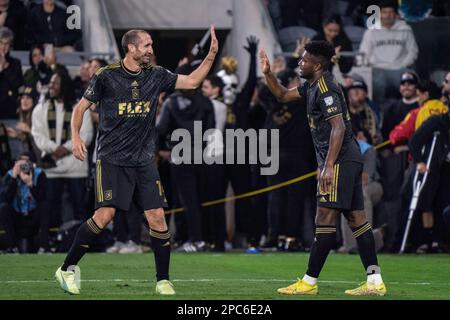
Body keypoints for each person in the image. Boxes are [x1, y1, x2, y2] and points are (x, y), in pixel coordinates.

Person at [54, 26, 219, 295]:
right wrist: (74, 137)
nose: (151, 50)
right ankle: (66, 269)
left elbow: (191, 82)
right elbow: (81, 107)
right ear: (131, 48)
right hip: (111, 158)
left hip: (143, 160)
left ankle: (163, 280)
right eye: (147, 45)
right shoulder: (106, 76)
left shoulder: (156, 75)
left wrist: (211, 55)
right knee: (104, 216)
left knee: (157, 218)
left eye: (151, 45)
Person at [259, 40, 386, 296]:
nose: (299, 62)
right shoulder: (312, 86)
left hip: (338, 159)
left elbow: (338, 127)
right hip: (345, 158)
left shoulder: (326, 88)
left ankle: (308, 282)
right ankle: (375, 281)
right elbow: (283, 95)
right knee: (357, 219)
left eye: (304, 60)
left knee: (324, 219)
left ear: (317, 65)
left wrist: (327, 167)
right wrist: (268, 73)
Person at [31, 72, 93, 228]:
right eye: (51, 83)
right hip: (52, 168)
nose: (51, 86)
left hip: (76, 166)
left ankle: (83, 242)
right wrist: (54, 149)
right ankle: (53, 243)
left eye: (55, 83)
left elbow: (86, 134)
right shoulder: (41, 108)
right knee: (52, 209)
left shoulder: (79, 107)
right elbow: (37, 134)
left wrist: (64, 149)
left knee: (80, 208)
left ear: (64, 86)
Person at [359, 0, 418, 103]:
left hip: (400, 68)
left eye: (390, 12)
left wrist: (403, 65)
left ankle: (408, 110)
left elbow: (413, 51)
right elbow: (364, 54)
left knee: (412, 79)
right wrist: (370, 66)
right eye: (384, 12)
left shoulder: (405, 29)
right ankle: (379, 113)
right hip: (378, 69)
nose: (387, 15)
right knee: (376, 82)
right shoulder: (371, 32)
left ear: (395, 14)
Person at [0, 152, 49, 253]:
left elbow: (42, 198)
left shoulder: (39, 174)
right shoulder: (10, 175)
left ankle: (44, 246)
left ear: (32, 164)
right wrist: (14, 178)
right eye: (20, 162)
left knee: (45, 206)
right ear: (15, 163)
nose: (23, 165)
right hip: (17, 216)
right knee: (4, 208)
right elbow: (5, 199)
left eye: (26, 162)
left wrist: (30, 184)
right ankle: (12, 248)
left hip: (33, 215)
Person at [5, 86, 39, 160]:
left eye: (28, 98)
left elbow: (41, 143)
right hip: (28, 157)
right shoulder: (23, 116)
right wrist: (17, 135)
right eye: (23, 98)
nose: (24, 101)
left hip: (39, 160)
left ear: (34, 101)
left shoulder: (38, 116)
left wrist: (29, 130)